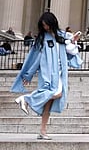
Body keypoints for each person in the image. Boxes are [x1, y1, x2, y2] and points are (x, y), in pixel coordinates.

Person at [10, 12, 82, 140]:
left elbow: (71, 52)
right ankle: (26, 99)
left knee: (48, 103)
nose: (46, 28)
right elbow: (35, 58)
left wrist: (73, 41)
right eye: (43, 25)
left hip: (60, 72)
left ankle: (42, 131)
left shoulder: (62, 36)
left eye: (47, 25)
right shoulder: (42, 39)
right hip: (48, 73)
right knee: (57, 93)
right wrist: (29, 74)